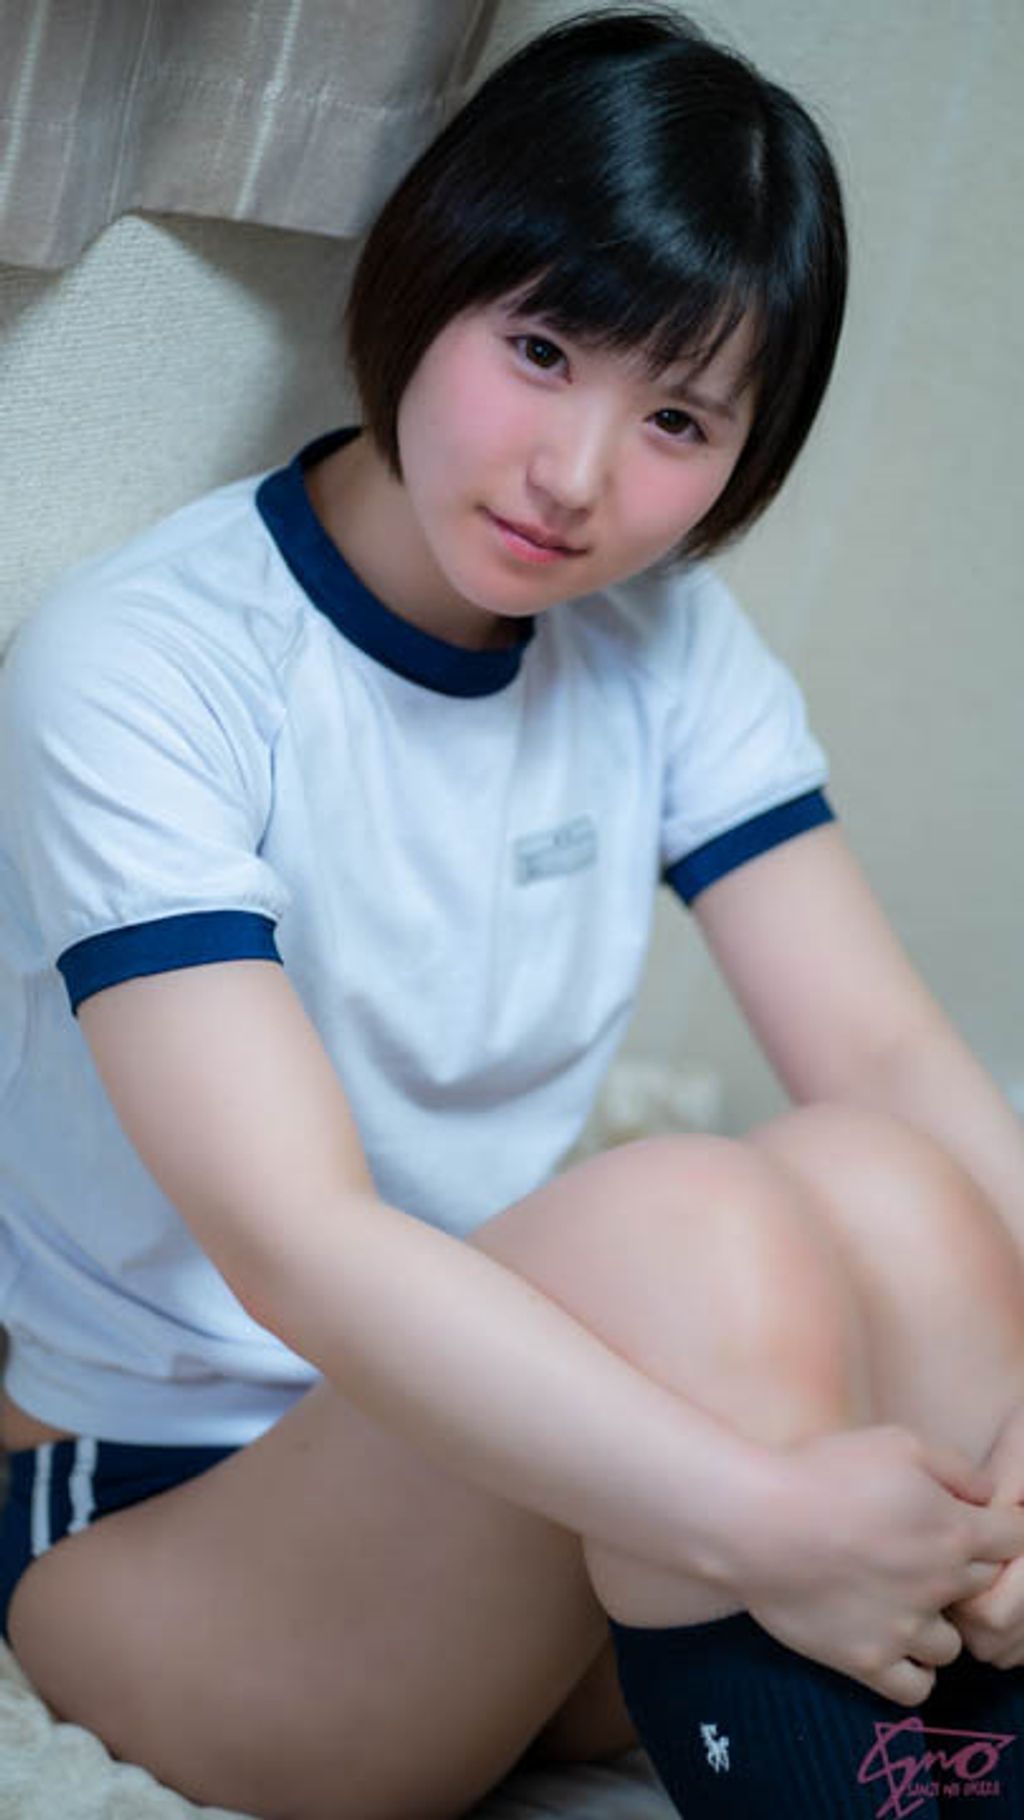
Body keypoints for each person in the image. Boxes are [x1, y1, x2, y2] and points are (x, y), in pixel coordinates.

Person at [1, 9, 1023, 1817]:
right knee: (694, 1219)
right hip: (178, 1527)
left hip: (546, 1485)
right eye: (540, 350)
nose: (575, 476)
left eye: (678, 418)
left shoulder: (661, 641)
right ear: (427, 273)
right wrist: (761, 1516)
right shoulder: (150, 663)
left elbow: (879, 1053)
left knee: (895, 1185)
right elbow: (297, 1242)